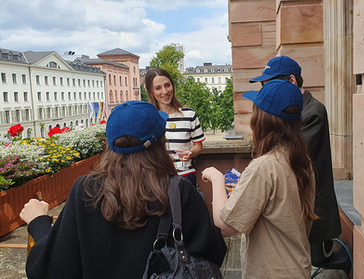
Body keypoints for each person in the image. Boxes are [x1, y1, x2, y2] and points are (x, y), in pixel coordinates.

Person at [20, 101, 226, 279]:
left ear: (110, 143)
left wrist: (39, 222)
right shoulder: (177, 191)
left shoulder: (86, 191)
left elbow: (51, 268)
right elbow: (215, 252)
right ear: (159, 141)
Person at [202, 80, 318, 278]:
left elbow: (224, 225)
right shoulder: (302, 160)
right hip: (298, 268)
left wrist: (216, 178)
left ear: (263, 120)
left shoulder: (264, 166)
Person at [249, 56, 342, 264]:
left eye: (270, 84)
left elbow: (288, 156)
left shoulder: (313, 111)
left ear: (292, 80)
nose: (265, 91)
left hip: (314, 213)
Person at [145, 68, 205, 187]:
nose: (165, 91)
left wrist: (190, 152)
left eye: (167, 85)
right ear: (151, 91)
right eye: (158, 88)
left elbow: (199, 146)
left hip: (185, 178)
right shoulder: (148, 118)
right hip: (157, 180)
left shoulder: (189, 114)